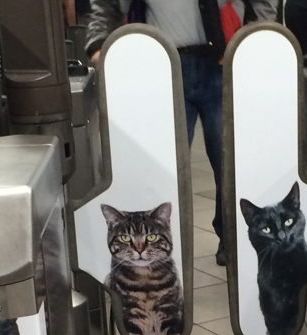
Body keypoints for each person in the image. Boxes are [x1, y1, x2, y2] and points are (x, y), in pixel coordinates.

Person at [85, 1, 279, 266]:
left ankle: (233, 241)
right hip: (160, 66)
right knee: (164, 169)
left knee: (232, 165)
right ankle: (157, 250)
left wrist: (251, 39)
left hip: (224, 64)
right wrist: (99, 44)